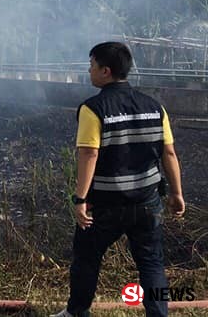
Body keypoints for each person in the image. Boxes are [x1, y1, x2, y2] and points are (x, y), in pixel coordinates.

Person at [53, 42, 185, 317]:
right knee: (151, 263)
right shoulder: (155, 107)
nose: (89, 71)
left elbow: (89, 154)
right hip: (147, 202)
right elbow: (169, 152)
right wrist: (176, 193)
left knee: (87, 258)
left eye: (91, 66)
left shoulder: (93, 109)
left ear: (106, 71)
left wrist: (81, 199)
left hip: (106, 204)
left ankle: (77, 312)